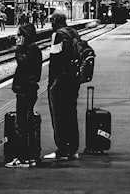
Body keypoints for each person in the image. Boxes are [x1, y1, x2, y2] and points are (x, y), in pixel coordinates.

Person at [44, 12, 79, 161]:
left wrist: (51, 83)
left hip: (61, 81)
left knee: (59, 115)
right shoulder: (73, 32)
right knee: (71, 113)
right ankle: (73, 149)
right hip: (74, 80)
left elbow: (55, 61)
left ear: (55, 21)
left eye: (52, 20)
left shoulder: (57, 35)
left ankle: (62, 149)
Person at [7, 19, 42, 168]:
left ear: (25, 36)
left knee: (22, 125)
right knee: (25, 123)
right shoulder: (33, 48)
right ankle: (29, 157)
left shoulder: (30, 49)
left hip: (26, 90)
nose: (16, 38)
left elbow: (23, 63)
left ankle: (23, 158)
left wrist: (18, 49)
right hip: (28, 89)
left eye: (18, 35)